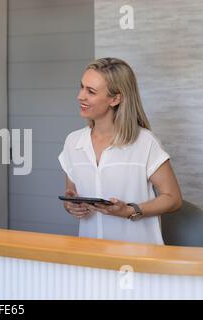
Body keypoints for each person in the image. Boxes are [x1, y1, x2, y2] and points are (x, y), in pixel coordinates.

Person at [58, 57, 182, 244]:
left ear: (115, 99)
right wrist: (71, 205)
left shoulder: (144, 142)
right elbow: (72, 191)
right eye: (82, 87)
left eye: (90, 91)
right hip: (91, 254)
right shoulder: (73, 142)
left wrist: (129, 211)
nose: (80, 96)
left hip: (139, 256)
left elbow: (173, 198)